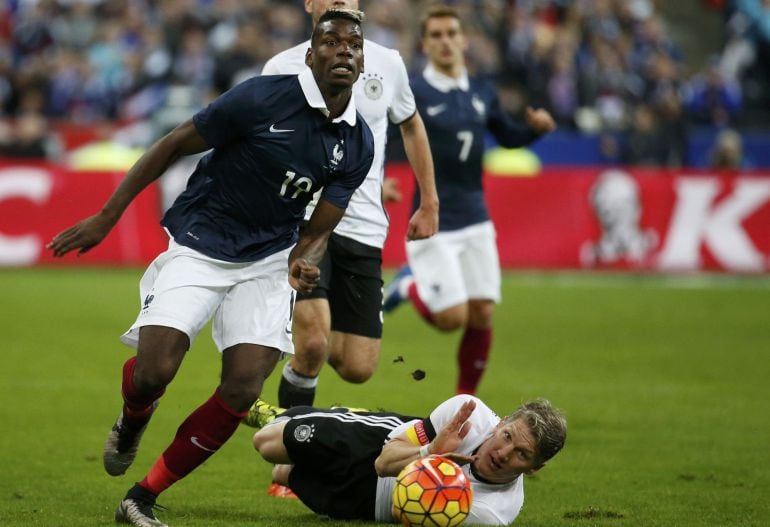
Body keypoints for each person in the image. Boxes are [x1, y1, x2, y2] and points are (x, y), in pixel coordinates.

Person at [46, 10, 373, 527]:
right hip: (201, 243)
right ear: (311, 56)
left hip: (266, 261)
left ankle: (142, 497)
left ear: (362, 61)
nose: (343, 51)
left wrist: (303, 262)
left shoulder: (358, 142)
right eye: (330, 43)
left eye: (353, 45)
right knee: (154, 373)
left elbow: (318, 229)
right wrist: (107, 217)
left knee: (243, 388)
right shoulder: (261, 97)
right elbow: (174, 142)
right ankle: (134, 416)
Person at [258, 0, 439, 413]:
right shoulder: (281, 68)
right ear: (309, 4)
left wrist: (428, 200)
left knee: (358, 366)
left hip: (363, 225)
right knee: (314, 342)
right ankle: (290, 453)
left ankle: (295, 378)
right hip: (301, 223)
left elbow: (409, 123)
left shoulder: (387, 63)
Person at [383, 5, 556, 395]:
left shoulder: (482, 91)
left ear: (463, 40)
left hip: (475, 215)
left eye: (451, 33)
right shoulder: (415, 93)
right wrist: (377, 181)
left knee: (482, 313)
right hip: (433, 218)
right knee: (451, 318)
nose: (445, 41)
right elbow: (382, 139)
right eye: (437, 35)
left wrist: (534, 132)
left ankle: (466, 403)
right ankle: (407, 288)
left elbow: (507, 136)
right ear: (425, 45)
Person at [251, 394, 567, 525]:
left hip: (367, 505)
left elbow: (406, 512)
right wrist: (431, 454)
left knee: (284, 473)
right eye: (508, 437)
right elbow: (382, 463)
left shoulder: (492, 515)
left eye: (521, 455)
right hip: (377, 445)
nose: (502, 453)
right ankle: (324, 416)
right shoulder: (467, 414)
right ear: (502, 423)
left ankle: (334, 418)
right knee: (266, 442)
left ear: (534, 468)